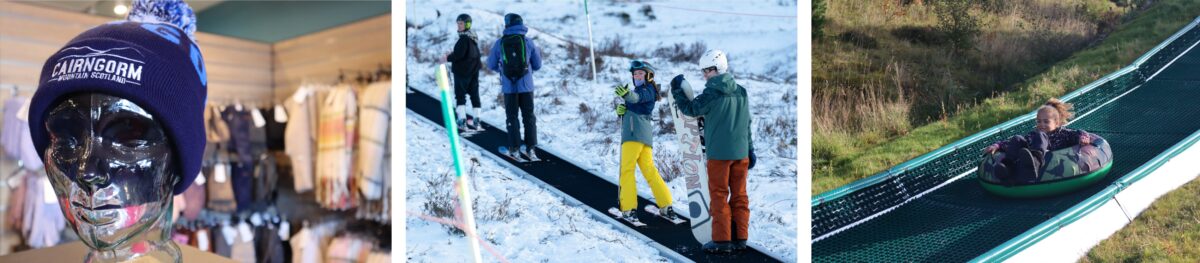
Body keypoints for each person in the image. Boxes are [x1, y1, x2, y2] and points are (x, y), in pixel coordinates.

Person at [670, 49, 756, 254]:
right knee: (740, 196)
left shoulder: (711, 93)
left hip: (719, 154)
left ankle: (722, 240)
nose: (705, 75)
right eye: (704, 71)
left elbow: (691, 110)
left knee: (718, 195)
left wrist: (677, 92)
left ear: (717, 69)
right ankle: (741, 237)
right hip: (741, 152)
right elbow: (747, 123)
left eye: (707, 70)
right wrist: (750, 148)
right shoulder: (741, 91)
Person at [613, 60, 678, 224]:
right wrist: (622, 111)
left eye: (640, 73)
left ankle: (628, 208)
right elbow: (634, 104)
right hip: (644, 137)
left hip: (633, 135)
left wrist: (627, 96)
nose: (637, 76)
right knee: (649, 170)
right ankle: (666, 205)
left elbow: (636, 98)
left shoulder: (648, 89)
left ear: (649, 76)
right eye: (635, 74)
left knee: (627, 170)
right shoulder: (644, 90)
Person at [984, 98, 1091, 185]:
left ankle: (1035, 161)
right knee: (1017, 138)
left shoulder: (1064, 134)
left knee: (1041, 135)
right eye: (1039, 121)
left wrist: (1083, 137)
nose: (1041, 124)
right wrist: (997, 145)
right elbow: (1014, 143)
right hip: (1027, 161)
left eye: (1046, 121)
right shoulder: (1034, 135)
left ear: (1057, 123)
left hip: (1044, 163)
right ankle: (1007, 167)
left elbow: (1077, 133)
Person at [487, 13, 542, 161]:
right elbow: (537, 64)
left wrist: (503, 68)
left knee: (512, 117)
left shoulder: (500, 43)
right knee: (529, 117)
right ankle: (531, 149)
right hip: (526, 87)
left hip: (509, 88)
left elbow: (490, 64)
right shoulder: (528, 42)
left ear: (507, 25)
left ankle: (514, 149)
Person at [445, 13, 483, 132]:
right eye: (458, 23)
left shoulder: (464, 39)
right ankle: (477, 120)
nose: (459, 25)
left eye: (461, 23)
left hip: (462, 72)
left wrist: (447, 58)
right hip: (473, 71)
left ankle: (462, 121)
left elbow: (458, 55)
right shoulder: (473, 37)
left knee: (460, 96)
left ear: (467, 24)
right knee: (474, 95)